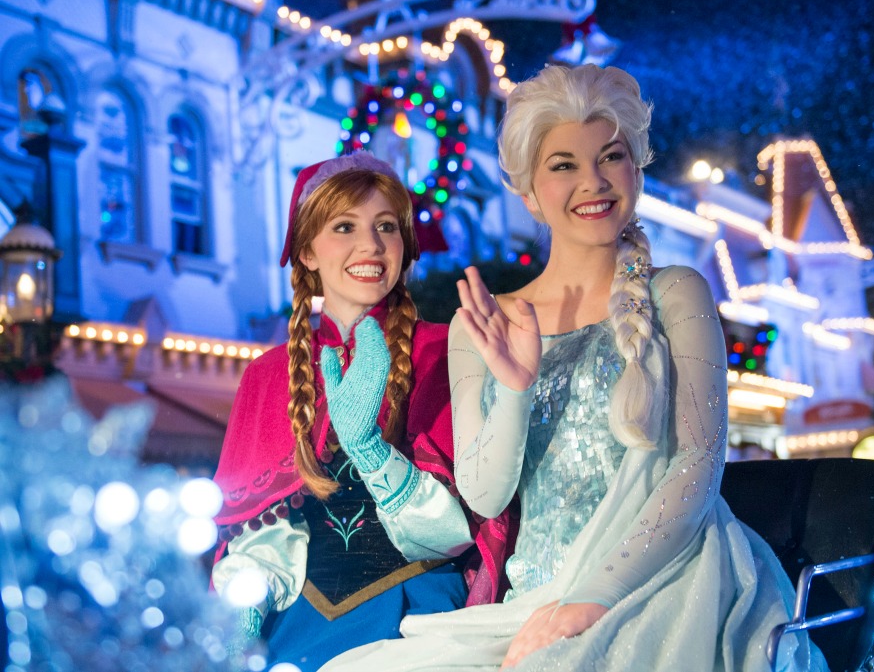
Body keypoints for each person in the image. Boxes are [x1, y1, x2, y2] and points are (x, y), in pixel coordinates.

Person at [322, 65, 828, 671]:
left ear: (635, 171)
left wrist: (594, 599)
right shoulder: (481, 322)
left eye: (610, 157)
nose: (593, 181)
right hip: (533, 601)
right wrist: (514, 388)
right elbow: (485, 496)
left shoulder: (678, 292)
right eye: (564, 164)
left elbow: (697, 464)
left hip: (666, 582)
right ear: (529, 192)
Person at [210, 152, 515, 670]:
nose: (370, 245)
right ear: (307, 251)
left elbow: (462, 530)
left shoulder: (448, 350)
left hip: (416, 620)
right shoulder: (266, 376)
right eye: (344, 226)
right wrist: (245, 602)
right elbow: (259, 533)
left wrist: (373, 454)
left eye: (386, 226)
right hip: (296, 626)